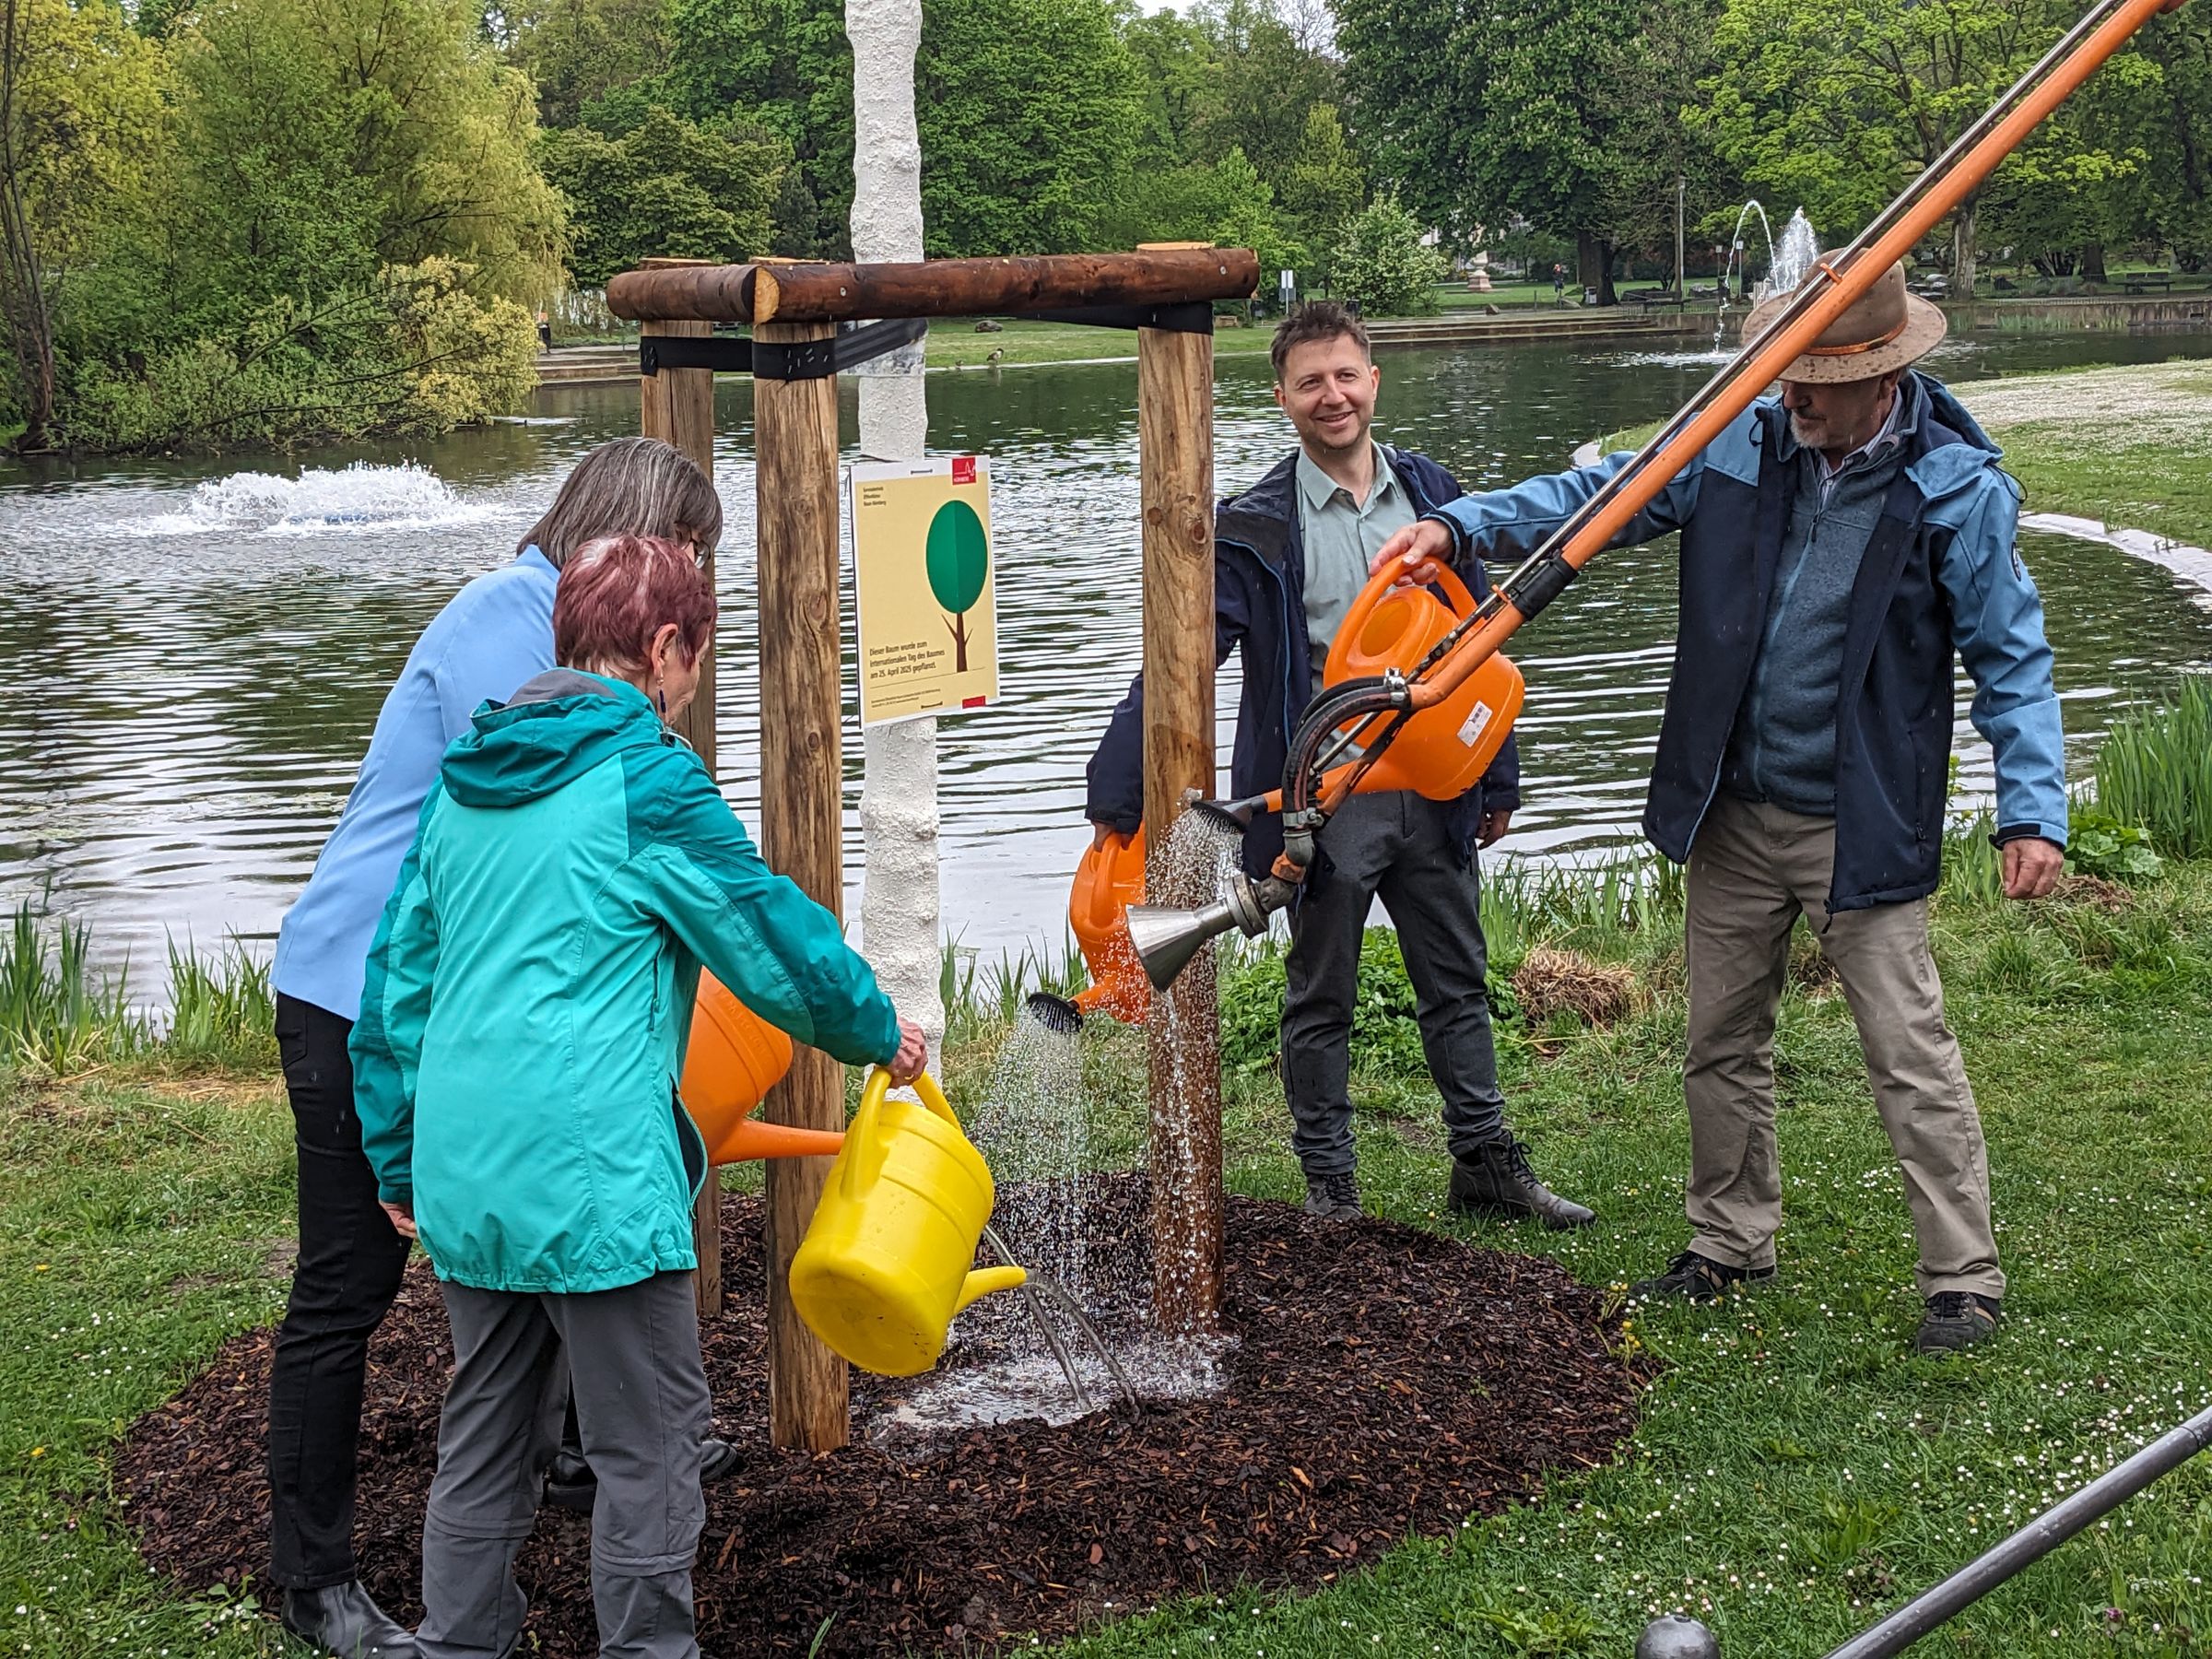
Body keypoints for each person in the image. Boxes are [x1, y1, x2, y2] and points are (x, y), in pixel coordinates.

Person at [1372, 261, 2065, 1354]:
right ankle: (1730, 1240)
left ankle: (1962, 1278)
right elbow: (1595, 499)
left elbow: (2013, 661)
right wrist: (1459, 530)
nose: (1791, 397)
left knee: (1908, 1047)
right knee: (1718, 1043)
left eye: (1815, 381)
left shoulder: (1956, 490)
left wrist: (2033, 810)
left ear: (1879, 376)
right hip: (1733, 812)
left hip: (1860, 820)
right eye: (1782, 373)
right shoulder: (1734, 442)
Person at [352, 535, 928, 1659]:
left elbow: (393, 991)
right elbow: (767, 935)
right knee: (650, 1445)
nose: (694, 678)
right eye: (697, 653)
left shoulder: (466, 778)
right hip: (593, 1178)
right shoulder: (646, 780)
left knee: (484, 1436)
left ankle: (459, 1643)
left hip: (468, 1171)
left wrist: (395, 1153)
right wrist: (876, 1028)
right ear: (665, 648)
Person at [265, 439, 723, 1658]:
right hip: (364, 995)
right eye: (688, 545)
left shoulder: (549, 619)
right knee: (346, 1292)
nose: (694, 574)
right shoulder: (515, 627)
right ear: (631, 533)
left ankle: (571, 1466)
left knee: (521, 1261)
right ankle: (311, 1580)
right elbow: (534, 843)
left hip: (446, 1004)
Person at [1086, 302, 1594, 1230]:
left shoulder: (1437, 496)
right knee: (1322, 992)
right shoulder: (1256, 525)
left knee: (1458, 979)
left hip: (1438, 787)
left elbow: (1486, 637)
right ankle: (1332, 1188)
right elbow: (1184, 660)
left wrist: (1500, 774)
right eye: (1311, 381)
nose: (1333, 396)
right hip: (1326, 800)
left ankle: (1485, 1162)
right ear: (1281, 397)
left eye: (1346, 375)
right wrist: (1116, 789)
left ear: (1375, 381)